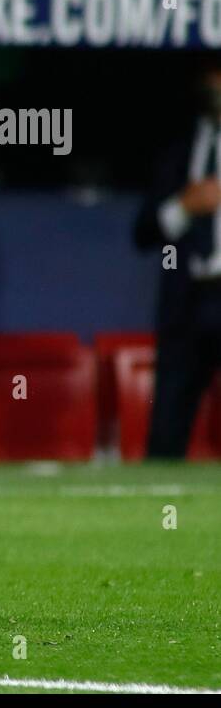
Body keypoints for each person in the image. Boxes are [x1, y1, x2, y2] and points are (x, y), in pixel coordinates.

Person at [133, 65, 221, 459]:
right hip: (187, 303)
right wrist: (185, 206)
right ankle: (159, 515)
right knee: (168, 427)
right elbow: (144, 231)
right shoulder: (177, 150)